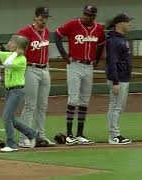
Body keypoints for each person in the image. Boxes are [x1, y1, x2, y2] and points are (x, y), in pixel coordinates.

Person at [0, 34, 39, 152]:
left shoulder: (21, 59)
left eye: (12, 42)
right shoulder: (10, 55)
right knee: (11, 118)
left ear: (18, 47)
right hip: (9, 91)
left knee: (6, 118)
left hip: (17, 90)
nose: (9, 43)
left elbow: (6, 64)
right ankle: (32, 134)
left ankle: (11, 144)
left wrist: (17, 53)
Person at [54, 5, 105, 145]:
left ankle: (80, 134)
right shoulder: (73, 24)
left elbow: (101, 43)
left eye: (89, 15)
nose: (85, 16)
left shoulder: (98, 28)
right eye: (84, 13)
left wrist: (97, 59)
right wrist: (64, 54)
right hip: (74, 65)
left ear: (94, 17)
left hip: (88, 66)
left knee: (84, 100)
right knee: (73, 99)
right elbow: (57, 35)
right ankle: (69, 134)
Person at [17, 6, 56, 148]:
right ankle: (23, 138)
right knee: (30, 105)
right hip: (31, 69)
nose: (44, 21)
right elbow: (17, 48)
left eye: (46, 18)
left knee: (42, 106)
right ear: (35, 17)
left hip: (45, 68)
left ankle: (40, 136)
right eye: (41, 18)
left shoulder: (46, 32)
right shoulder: (25, 32)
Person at [106, 13, 133, 145]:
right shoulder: (113, 40)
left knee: (119, 107)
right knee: (115, 106)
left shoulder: (121, 39)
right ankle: (114, 135)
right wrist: (115, 82)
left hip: (124, 77)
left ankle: (115, 134)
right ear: (119, 24)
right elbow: (112, 62)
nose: (129, 24)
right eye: (127, 22)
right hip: (118, 79)